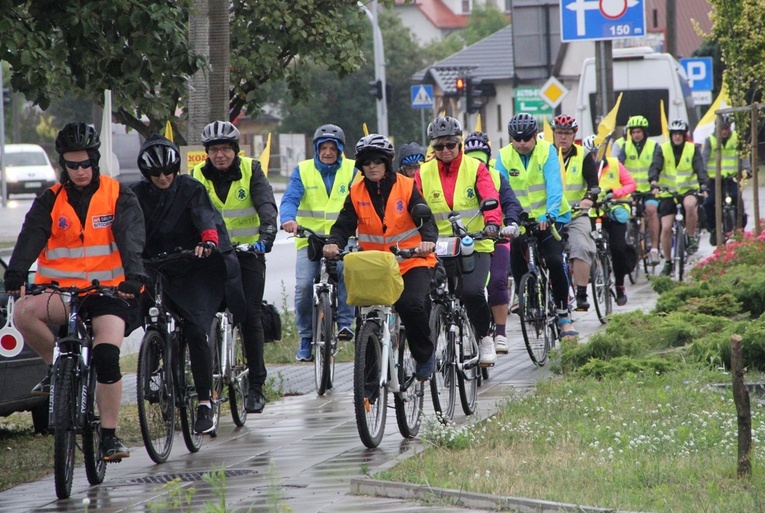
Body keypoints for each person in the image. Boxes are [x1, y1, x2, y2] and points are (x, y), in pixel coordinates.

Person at [3, 122, 146, 461]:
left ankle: (109, 436)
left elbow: (131, 239)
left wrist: (134, 275)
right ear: (63, 165)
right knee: (23, 311)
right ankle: (56, 368)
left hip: (108, 294)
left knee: (107, 356)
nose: (79, 171)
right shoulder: (50, 199)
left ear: (95, 161)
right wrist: (16, 272)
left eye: (85, 164)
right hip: (62, 293)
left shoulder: (118, 194)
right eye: (72, 164)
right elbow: (30, 237)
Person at [131, 134, 246, 434]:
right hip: (154, 265)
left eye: (168, 172)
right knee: (143, 309)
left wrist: (208, 241)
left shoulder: (191, 189)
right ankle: (156, 355)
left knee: (196, 328)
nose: (163, 178)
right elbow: (128, 227)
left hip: (193, 266)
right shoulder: (135, 195)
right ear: (147, 174)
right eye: (156, 174)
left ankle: (205, 401)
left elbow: (205, 217)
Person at [323, 134, 438, 379]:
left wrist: (427, 241)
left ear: (387, 162)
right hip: (375, 266)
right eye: (366, 162)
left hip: (411, 261)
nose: (372, 166)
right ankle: (369, 384)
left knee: (411, 304)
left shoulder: (406, 186)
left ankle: (424, 355)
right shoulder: (356, 192)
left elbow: (426, 219)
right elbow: (343, 225)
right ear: (361, 167)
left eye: (377, 161)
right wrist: (334, 243)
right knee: (367, 317)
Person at [192, 121, 277, 414]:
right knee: (202, 316)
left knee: (250, 316)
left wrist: (266, 235)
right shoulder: (196, 176)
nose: (220, 155)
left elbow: (266, 204)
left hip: (247, 254)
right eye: (213, 150)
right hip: (213, 256)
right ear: (207, 153)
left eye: (225, 149)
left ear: (235, 150)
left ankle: (255, 387)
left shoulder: (252, 170)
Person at [415, 116, 502, 366]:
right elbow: (412, 206)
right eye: (439, 147)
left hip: (474, 243)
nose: (445, 151)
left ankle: (485, 337)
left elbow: (490, 196)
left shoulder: (476, 168)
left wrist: (492, 223)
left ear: (460, 144)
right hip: (437, 244)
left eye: (450, 145)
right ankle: (428, 345)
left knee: (473, 292)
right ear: (432, 147)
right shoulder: (423, 172)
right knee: (424, 295)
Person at [494, 113, 576, 338]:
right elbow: (501, 190)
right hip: (521, 219)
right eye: (516, 139)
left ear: (535, 136)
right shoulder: (502, 156)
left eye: (526, 139)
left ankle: (563, 314)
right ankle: (526, 298)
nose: (521, 144)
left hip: (551, 216)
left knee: (553, 260)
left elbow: (554, 186)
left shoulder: (547, 151)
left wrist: (549, 215)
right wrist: (509, 220)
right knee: (516, 255)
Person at [280, 124, 356, 361]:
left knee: (346, 271)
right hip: (310, 241)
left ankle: (344, 323)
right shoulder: (303, 170)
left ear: (340, 149)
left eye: (333, 148)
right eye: (323, 147)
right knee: (304, 287)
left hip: (343, 239)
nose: (327, 152)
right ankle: (305, 338)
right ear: (316, 149)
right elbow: (290, 198)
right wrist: (288, 219)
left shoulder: (353, 170)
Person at [463, 131, 523, 355]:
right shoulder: (456, 180)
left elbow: (511, 204)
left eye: (481, 158)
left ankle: (500, 332)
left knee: (497, 281)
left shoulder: (497, 177)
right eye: (472, 157)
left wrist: (511, 222)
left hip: (495, 239)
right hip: (465, 241)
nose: (477, 163)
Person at [550, 115, 599, 311]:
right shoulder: (545, 155)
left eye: (567, 133)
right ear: (553, 134)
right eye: (559, 133)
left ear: (574, 135)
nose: (563, 137)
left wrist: (588, 199)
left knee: (581, 246)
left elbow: (594, 186)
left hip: (575, 214)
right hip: (551, 215)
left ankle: (581, 293)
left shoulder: (584, 155)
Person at [648, 119, 708, 275]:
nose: (677, 137)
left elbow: (700, 168)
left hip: (689, 190)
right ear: (671, 135)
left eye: (680, 134)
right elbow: (655, 166)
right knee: (666, 227)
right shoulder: (663, 149)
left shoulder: (692, 149)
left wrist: (703, 185)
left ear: (684, 135)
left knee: (689, 205)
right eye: (674, 134)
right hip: (668, 192)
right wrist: (654, 182)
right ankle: (668, 262)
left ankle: (691, 236)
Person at [590, 140, 637, 305]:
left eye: (595, 153)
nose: (593, 157)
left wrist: (615, 193)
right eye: (589, 154)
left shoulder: (615, 164)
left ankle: (619, 284)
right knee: (586, 244)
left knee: (618, 248)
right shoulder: (584, 168)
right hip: (594, 212)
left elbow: (631, 184)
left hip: (614, 210)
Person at [617, 115, 661, 265]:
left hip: (649, 189)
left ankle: (654, 249)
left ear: (644, 132)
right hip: (631, 191)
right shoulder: (625, 147)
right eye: (633, 132)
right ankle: (634, 243)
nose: (636, 134)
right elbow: (619, 165)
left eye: (639, 131)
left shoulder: (653, 146)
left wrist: (654, 182)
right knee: (628, 214)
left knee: (651, 210)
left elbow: (655, 165)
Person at [702, 114, 750, 245]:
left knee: (736, 198)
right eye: (722, 128)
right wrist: (703, 175)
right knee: (709, 203)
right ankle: (713, 229)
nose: (724, 131)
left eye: (727, 128)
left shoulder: (736, 139)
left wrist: (747, 169)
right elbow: (704, 159)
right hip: (714, 179)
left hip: (731, 178)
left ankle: (741, 225)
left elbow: (743, 156)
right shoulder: (710, 140)